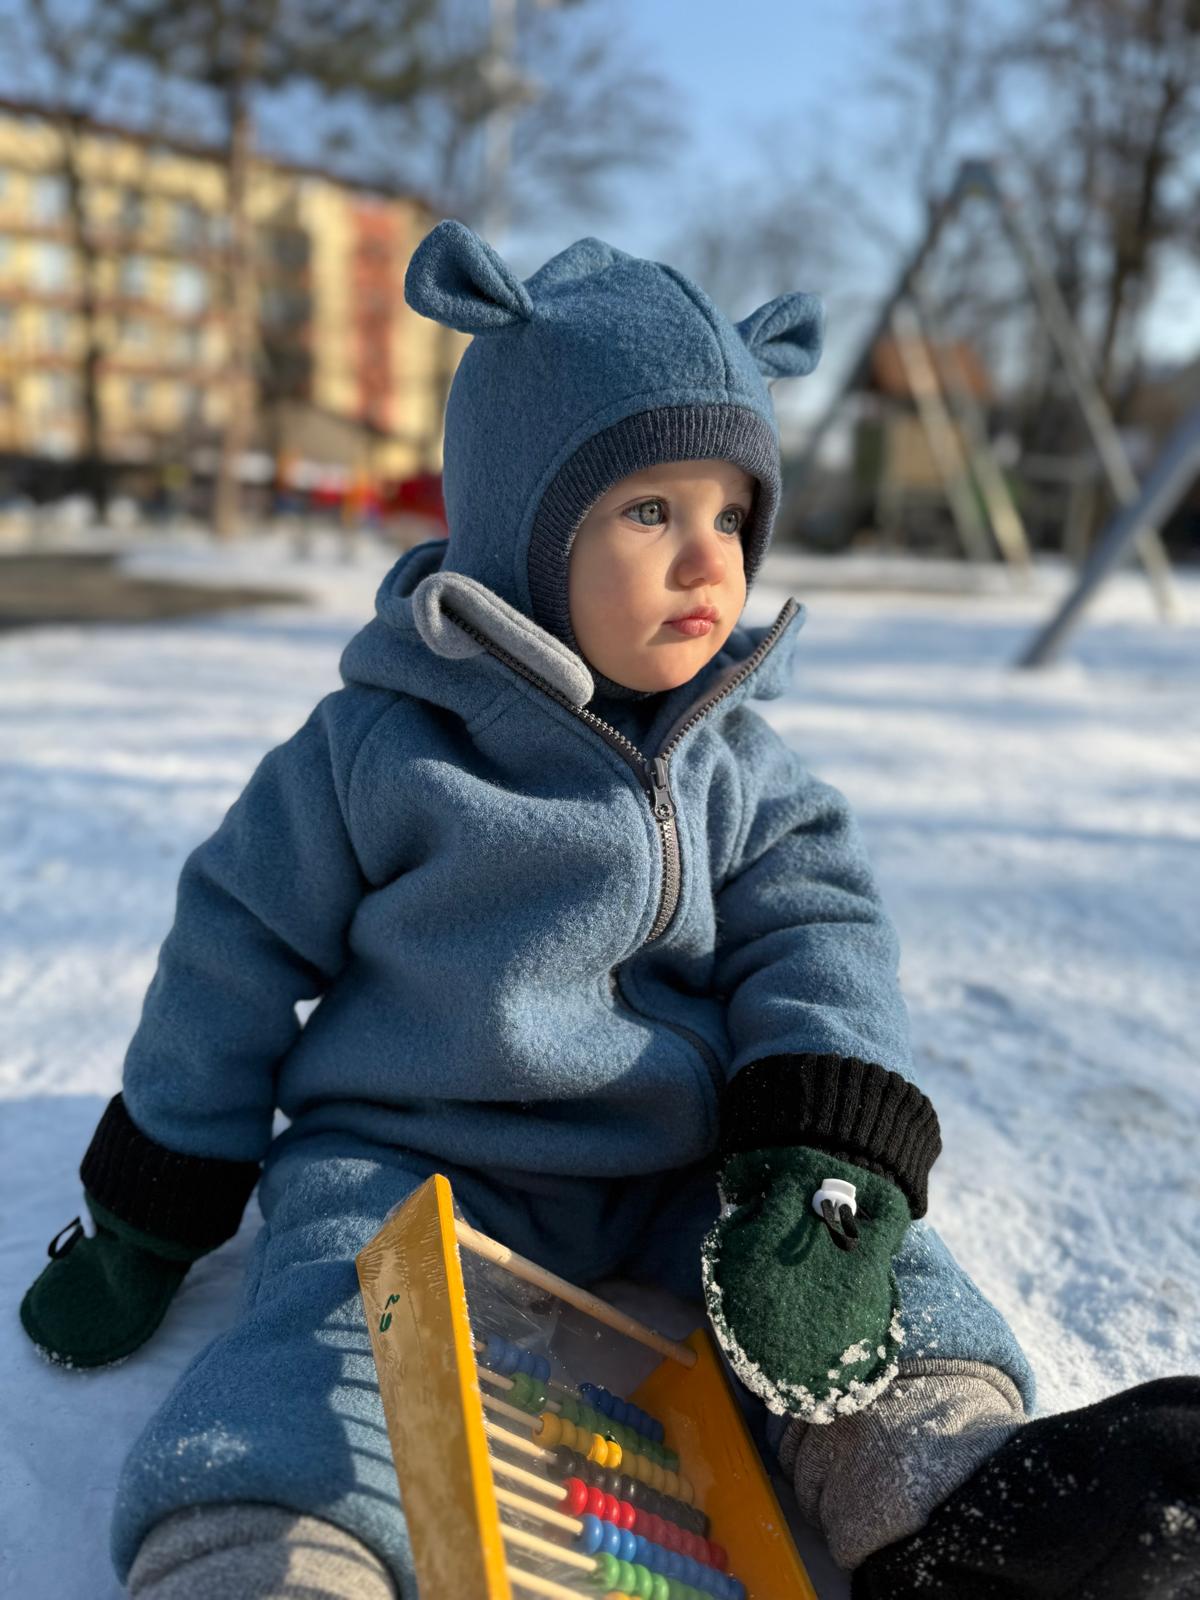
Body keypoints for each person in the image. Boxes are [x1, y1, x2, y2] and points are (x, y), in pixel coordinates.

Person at [19, 220, 1198, 1599]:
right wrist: (155, 1196)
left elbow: (821, 936)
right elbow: (231, 945)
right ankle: (270, 1551)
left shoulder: (739, 767)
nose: (708, 563)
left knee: (855, 1284)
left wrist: (819, 1159)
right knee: (336, 1326)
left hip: (676, 1160)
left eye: (730, 517)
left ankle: (962, 1497)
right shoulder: (379, 753)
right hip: (417, 1156)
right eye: (650, 513)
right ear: (524, 528)